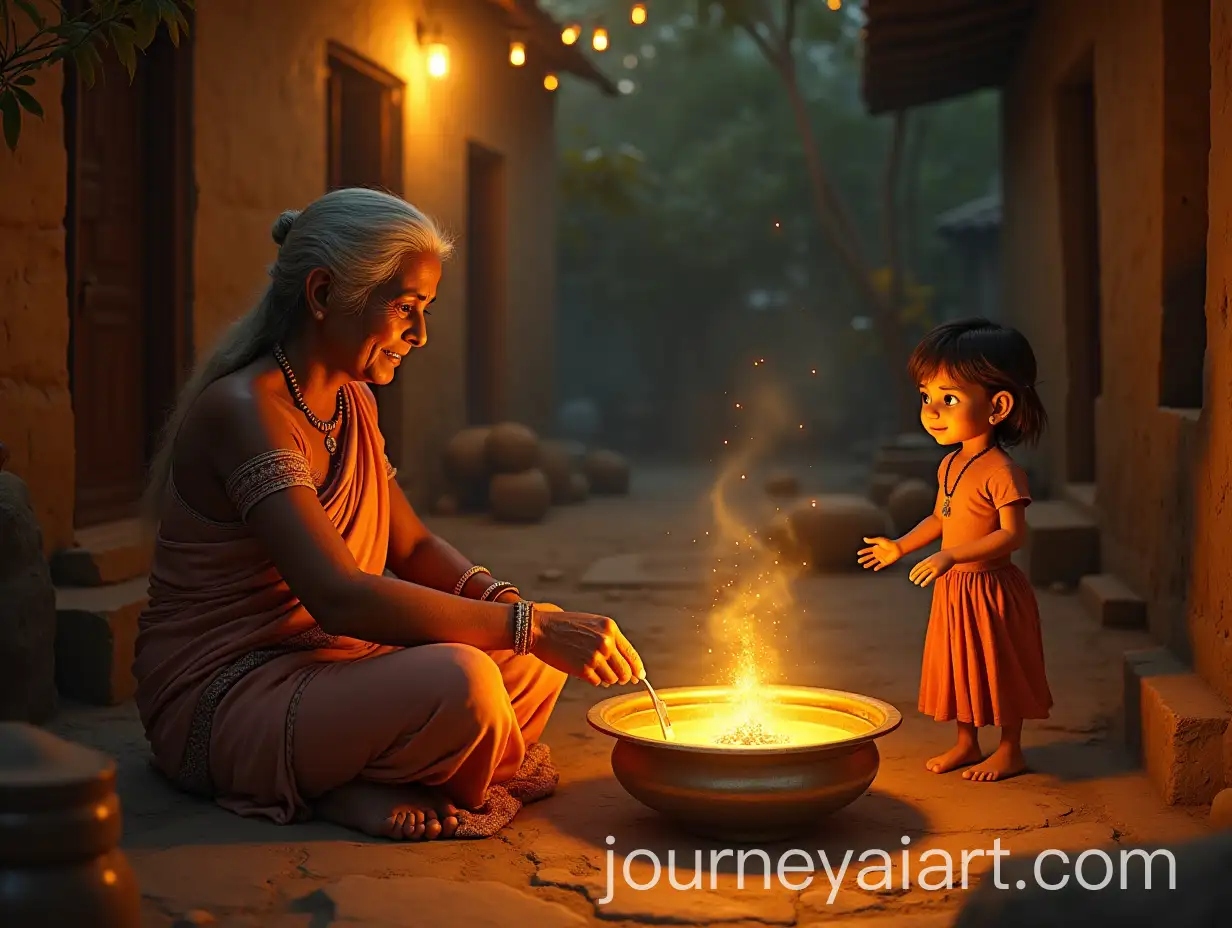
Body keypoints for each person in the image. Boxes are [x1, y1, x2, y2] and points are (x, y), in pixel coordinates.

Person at [134, 187, 645, 842]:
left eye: (425, 310)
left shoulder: (352, 403)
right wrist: (523, 625)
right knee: (467, 681)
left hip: (334, 668)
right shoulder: (245, 411)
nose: (421, 333)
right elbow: (340, 597)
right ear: (322, 295)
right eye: (406, 308)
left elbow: (411, 544)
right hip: (229, 690)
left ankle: (365, 770)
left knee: (531, 660)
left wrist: (517, 610)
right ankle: (342, 785)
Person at [857, 319, 1052, 782]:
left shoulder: (1001, 471)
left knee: (999, 665)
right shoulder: (950, 463)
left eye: (949, 399)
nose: (932, 412)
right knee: (961, 664)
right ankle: (967, 742)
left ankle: (1010, 748)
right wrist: (899, 546)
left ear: (998, 405)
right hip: (955, 591)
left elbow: (1011, 536)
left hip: (992, 588)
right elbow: (942, 517)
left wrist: (951, 556)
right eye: (927, 397)